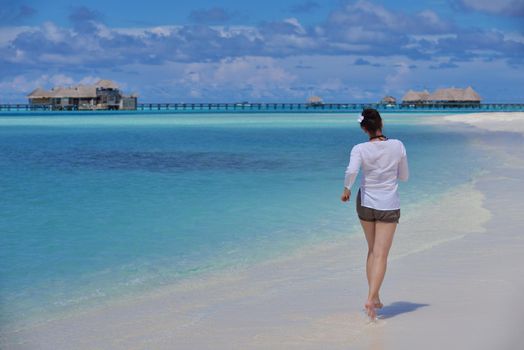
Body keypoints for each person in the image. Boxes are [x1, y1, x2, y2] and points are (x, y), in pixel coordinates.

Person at [341, 108, 409, 321]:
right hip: (388, 204)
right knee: (381, 254)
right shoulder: (397, 145)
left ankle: (375, 295)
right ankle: (371, 298)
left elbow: (352, 171)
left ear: (364, 129)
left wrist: (347, 189)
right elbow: (404, 176)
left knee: (371, 250)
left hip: (365, 203)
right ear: (381, 124)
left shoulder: (359, 148)